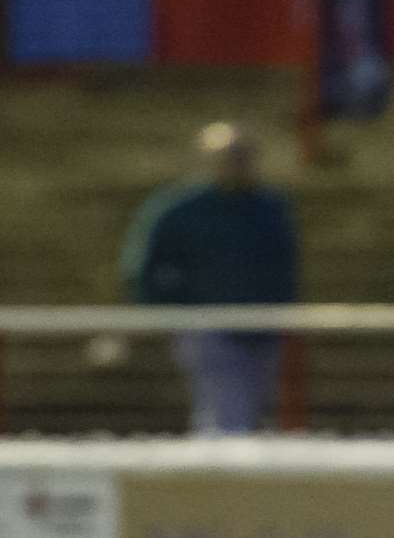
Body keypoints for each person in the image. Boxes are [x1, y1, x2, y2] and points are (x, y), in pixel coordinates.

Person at [120, 122, 297, 434]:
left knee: (254, 413)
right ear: (207, 160)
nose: (236, 164)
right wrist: (169, 309)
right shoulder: (179, 209)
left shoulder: (269, 207)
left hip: (264, 326)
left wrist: (285, 312)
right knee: (225, 412)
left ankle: (243, 475)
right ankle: (221, 476)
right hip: (207, 326)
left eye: (242, 155)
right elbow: (143, 268)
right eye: (229, 156)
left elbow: (283, 267)